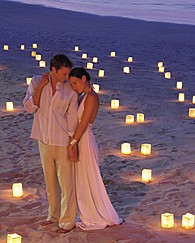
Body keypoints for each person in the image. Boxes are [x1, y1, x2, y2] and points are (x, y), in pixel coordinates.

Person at [23, 54, 78, 233]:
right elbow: (30, 107)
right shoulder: (36, 81)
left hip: (62, 141)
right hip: (43, 139)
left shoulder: (70, 88)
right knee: (50, 182)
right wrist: (41, 87)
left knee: (66, 183)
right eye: (63, 74)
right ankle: (53, 216)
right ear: (53, 70)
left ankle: (67, 221)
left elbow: (71, 117)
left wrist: (72, 143)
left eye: (68, 74)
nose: (66, 78)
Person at [68, 67, 122, 230]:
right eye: (71, 84)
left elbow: (84, 123)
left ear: (84, 78)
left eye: (75, 83)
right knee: (82, 180)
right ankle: (87, 212)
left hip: (85, 140)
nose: (74, 87)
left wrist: (73, 143)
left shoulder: (91, 97)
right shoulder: (82, 96)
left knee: (89, 178)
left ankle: (96, 214)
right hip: (80, 138)